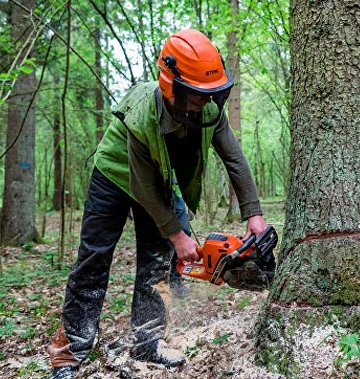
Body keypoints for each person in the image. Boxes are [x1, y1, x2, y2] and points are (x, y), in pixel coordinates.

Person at [47, 29, 269, 379]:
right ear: (173, 87)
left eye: (209, 93)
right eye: (196, 94)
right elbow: (142, 186)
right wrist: (178, 235)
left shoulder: (209, 110)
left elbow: (234, 158)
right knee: (94, 257)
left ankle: (146, 342)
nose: (203, 101)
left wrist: (253, 214)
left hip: (158, 179)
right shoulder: (142, 114)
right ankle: (69, 352)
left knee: (155, 262)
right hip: (116, 174)